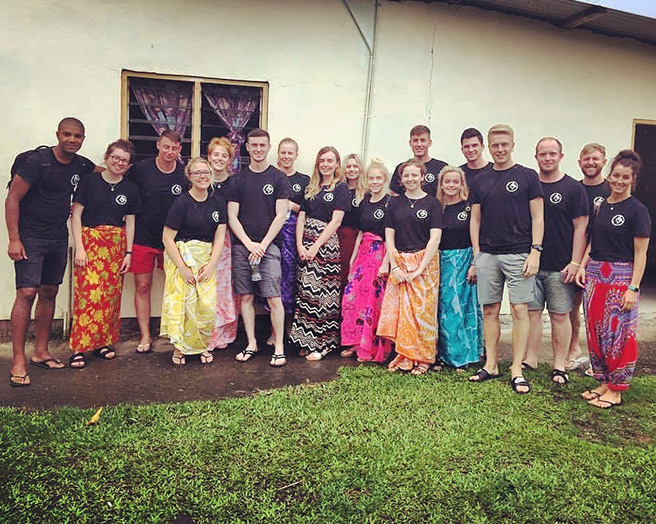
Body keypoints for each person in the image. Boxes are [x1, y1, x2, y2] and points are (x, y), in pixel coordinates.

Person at [6, 117, 96, 386]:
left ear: (83, 138)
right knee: (26, 293)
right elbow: (12, 198)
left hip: (57, 237)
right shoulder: (38, 162)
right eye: (67, 134)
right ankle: (18, 359)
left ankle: (41, 351)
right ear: (57, 134)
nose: (72, 140)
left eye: (77, 136)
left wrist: (130, 169)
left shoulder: (81, 165)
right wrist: (14, 239)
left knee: (49, 292)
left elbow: (106, 172)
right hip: (30, 237)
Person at [468, 124, 544, 394]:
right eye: (495, 145)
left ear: (513, 145)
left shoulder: (527, 176)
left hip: (519, 254)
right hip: (488, 255)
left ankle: (516, 369)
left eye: (505, 144)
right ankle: (491, 365)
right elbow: (474, 219)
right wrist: (477, 256)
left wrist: (535, 250)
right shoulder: (480, 181)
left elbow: (538, 216)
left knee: (519, 310)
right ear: (489, 147)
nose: (500, 149)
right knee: (489, 311)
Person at [575, 150, 650, 409]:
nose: (619, 181)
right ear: (609, 175)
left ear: (633, 179)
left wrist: (633, 288)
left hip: (621, 278)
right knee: (597, 332)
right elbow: (592, 242)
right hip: (595, 275)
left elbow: (640, 254)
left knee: (619, 334)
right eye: (615, 175)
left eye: (625, 177)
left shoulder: (637, 211)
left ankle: (616, 389)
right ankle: (604, 381)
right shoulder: (600, 206)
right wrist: (583, 266)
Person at [68, 140, 140, 368]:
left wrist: (128, 252)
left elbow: (130, 222)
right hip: (89, 245)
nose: (119, 162)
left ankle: (102, 343)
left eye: (124, 160)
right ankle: (79, 347)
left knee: (110, 299)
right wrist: (79, 246)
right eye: (115, 157)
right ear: (107, 157)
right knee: (87, 297)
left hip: (115, 248)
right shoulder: (89, 182)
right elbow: (76, 216)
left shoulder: (131, 189)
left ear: (129, 165)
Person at [523, 138, 588, 384]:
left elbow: (581, 227)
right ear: (536, 156)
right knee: (532, 313)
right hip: (531, 263)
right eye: (542, 154)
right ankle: (530, 359)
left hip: (561, 266)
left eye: (552, 154)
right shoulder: (529, 185)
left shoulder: (573, 188)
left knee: (560, 315)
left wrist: (575, 262)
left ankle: (559, 364)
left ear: (561, 156)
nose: (547, 158)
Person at [227, 129, 291, 367]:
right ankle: (251, 342)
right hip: (243, 247)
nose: (258, 149)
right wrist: (249, 244)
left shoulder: (278, 178)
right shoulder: (238, 179)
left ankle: (279, 347)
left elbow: (281, 214)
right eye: (254, 145)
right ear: (247, 147)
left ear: (268, 147)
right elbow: (232, 217)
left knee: (274, 298)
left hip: (269, 248)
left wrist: (262, 245)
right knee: (246, 297)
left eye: (262, 145)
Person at [377, 159, 443, 375]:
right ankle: (405, 355)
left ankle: (424, 358)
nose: (411, 179)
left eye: (415, 175)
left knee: (424, 312)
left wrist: (420, 268)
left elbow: (435, 238)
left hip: (426, 264)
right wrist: (395, 266)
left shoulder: (432, 204)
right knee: (403, 313)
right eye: (406, 175)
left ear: (422, 177)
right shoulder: (395, 203)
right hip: (401, 262)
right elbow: (389, 235)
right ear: (401, 179)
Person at [160, 157, 227, 365]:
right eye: (197, 173)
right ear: (189, 176)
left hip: (207, 260)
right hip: (183, 259)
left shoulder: (218, 202)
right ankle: (180, 348)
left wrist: (212, 264)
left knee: (205, 307)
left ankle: (201, 346)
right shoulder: (181, 203)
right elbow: (167, 238)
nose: (203, 176)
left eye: (206, 172)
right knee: (184, 305)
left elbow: (220, 237)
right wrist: (182, 268)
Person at [127, 130, 187, 354]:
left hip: (172, 240)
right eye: (166, 147)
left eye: (174, 148)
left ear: (180, 149)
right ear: (158, 145)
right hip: (143, 237)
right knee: (143, 286)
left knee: (175, 289)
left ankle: (175, 334)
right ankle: (145, 335)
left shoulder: (183, 174)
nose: (170, 152)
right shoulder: (141, 170)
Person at [290, 146, 350, 361]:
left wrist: (316, 246)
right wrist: (300, 245)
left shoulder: (341, 189)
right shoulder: (311, 187)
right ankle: (307, 340)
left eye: (330, 160)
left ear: (336, 164)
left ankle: (323, 343)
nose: (325, 164)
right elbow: (302, 217)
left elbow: (336, 221)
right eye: (322, 160)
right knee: (307, 293)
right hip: (305, 241)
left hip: (325, 243)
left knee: (323, 294)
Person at [340, 158, 392, 363]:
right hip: (363, 253)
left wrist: (387, 261)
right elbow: (361, 232)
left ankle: (370, 345)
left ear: (385, 179)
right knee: (352, 297)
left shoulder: (390, 203)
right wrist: (353, 257)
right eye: (371, 178)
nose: (375, 181)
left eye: (378, 178)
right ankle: (355, 342)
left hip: (380, 253)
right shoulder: (364, 201)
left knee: (372, 300)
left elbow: (391, 235)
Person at [566, 143, 610, 373]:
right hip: (575, 258)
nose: (590, 163)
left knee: (597, 311)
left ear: (604, 161)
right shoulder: (574, 189)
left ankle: (600, 359)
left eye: (595, 159)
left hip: (602, 258)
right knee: (573, 307)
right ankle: (573, 350)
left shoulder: (612, 190)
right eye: (586, 159)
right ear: (579, 162)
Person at [435, 165, 483, 371]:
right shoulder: (436, 207)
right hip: (441, 262)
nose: (451, 185)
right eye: (448, 181)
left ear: (462, 184)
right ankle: (443, 355)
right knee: (443, 310)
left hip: (464, 261)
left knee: (462, 309)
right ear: (442, 184)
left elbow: (476, 237)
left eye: (456, 181)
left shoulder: (469, 207)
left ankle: (462, 356)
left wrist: (475, 263)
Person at [206, 137, 239, 351]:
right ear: (209, 157)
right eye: (215, 154)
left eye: (224, 155)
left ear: (230, 160)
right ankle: (206, 332)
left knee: (225, 285)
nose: (219, 159)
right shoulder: (200, 179)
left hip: (227, 240)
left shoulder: (234, 183)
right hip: (202, 240)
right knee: (207, 285)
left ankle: (225, 332)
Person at [276, 137, 309, 324]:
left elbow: (307, 208)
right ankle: (274, 328)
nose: (286, 156)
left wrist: (289, 204)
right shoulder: (272, 175)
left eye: (290, 153)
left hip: (294, 235)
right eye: (283, 152)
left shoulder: (303, 180)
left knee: (292, 280)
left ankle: (290, 326)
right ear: (278, 154)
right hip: (274, 235)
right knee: (274, 279)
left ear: (296, 155)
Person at [389, 125, 448, 196]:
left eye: (423, 140)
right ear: (410, 143)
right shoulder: (401, 168)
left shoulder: (442, 167)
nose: (419, 144)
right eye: (415, 140)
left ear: (429, 143)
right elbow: (394, 194)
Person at [338, 153, 366, 291]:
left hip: (358, 237)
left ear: (360, 169)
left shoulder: (366, 192)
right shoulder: (339, 189)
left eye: (355, 166)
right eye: (348, 166)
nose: (352, 169)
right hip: (340, 235)